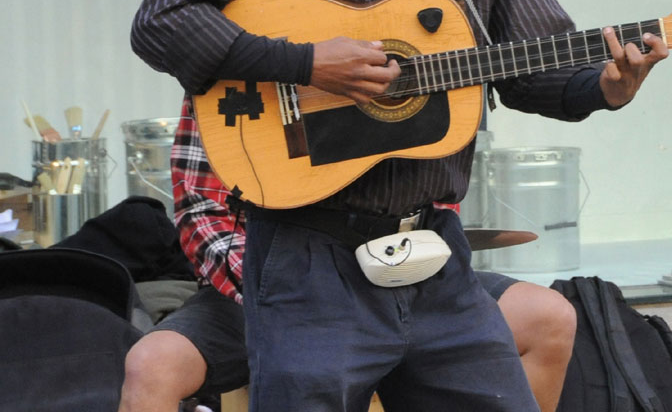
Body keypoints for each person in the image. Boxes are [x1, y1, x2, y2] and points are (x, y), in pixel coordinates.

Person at [131, 0, 667, 410]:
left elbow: (531, 71)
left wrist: (605, 85)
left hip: (432, 253)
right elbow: (161, 22)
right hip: (306, 258)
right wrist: (304, 63)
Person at [118, 101, 578, 412]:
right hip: (270, 282)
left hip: (398, 275)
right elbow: (202, 212)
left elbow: (436, 197)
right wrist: (289, 287)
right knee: (152, 365)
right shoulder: (231, 70)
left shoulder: (397, 58)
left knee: (548, 316)